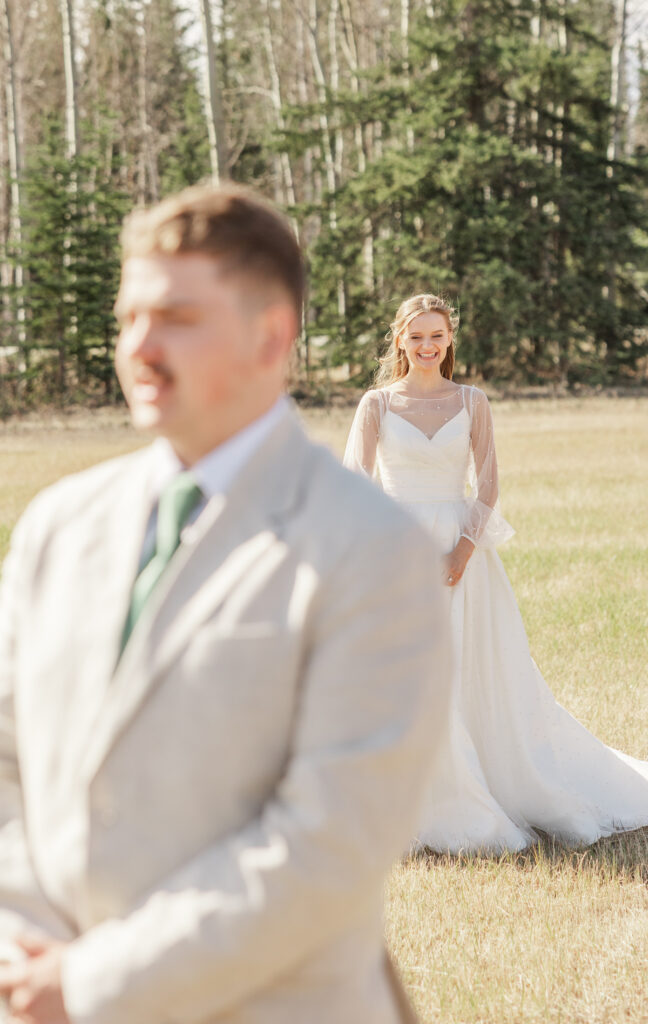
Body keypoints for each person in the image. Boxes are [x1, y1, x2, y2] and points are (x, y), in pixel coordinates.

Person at [0, 187, 452, 1024]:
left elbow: (330, 842)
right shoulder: (55, 526)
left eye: (175, 318)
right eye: (128, 318)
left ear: (270, 336)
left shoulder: (371, 547)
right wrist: (20, 946)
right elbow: (8, 767)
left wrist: (91, 982)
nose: (139, 347)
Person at [344, 292, 648, 854]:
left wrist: (462, 550)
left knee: (475, 672)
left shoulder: (471, 401)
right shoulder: (376, 405)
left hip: (463, 556)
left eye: (437, 335)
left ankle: (485, 789)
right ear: (399, 339)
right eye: (417, 336)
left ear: (450, 338)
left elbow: (488, 485)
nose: (427, 346)